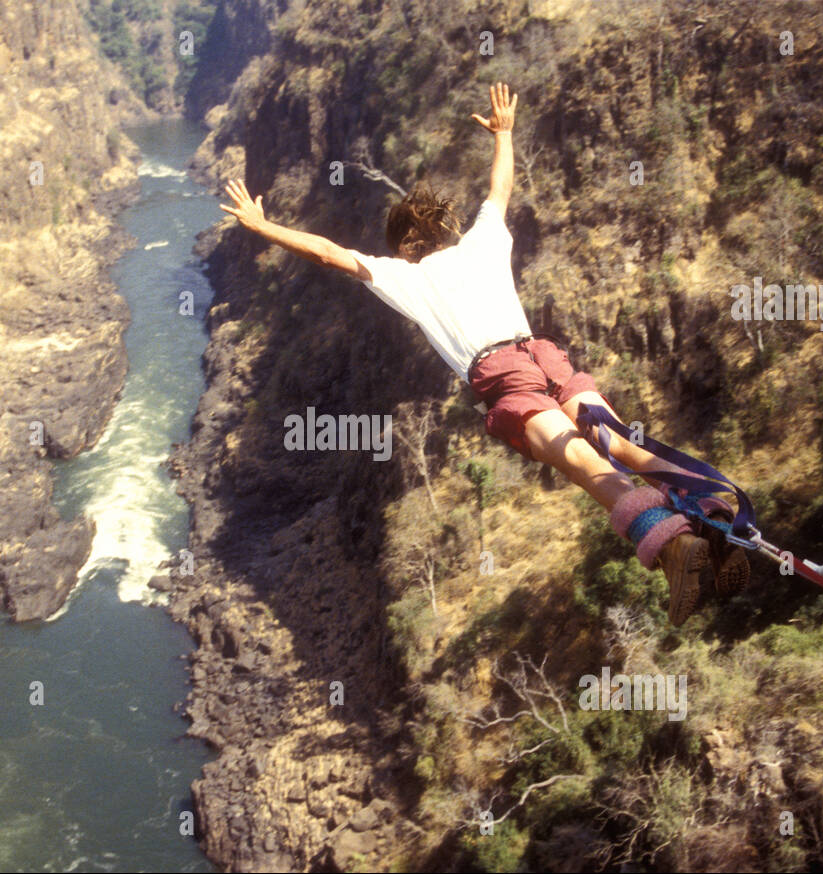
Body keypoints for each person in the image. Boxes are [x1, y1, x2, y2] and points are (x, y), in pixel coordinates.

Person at [219, 83, 748, 625]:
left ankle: (674, 549)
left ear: (403, 245)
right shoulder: (482, 241)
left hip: (504, 376)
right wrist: (505, 134)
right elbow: (500, 189)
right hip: (546, 356)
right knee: (623, 445)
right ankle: (714, 518)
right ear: (446, 229)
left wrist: (263, 228)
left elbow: (331, 255)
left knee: (586, 465)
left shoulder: (406, 275)